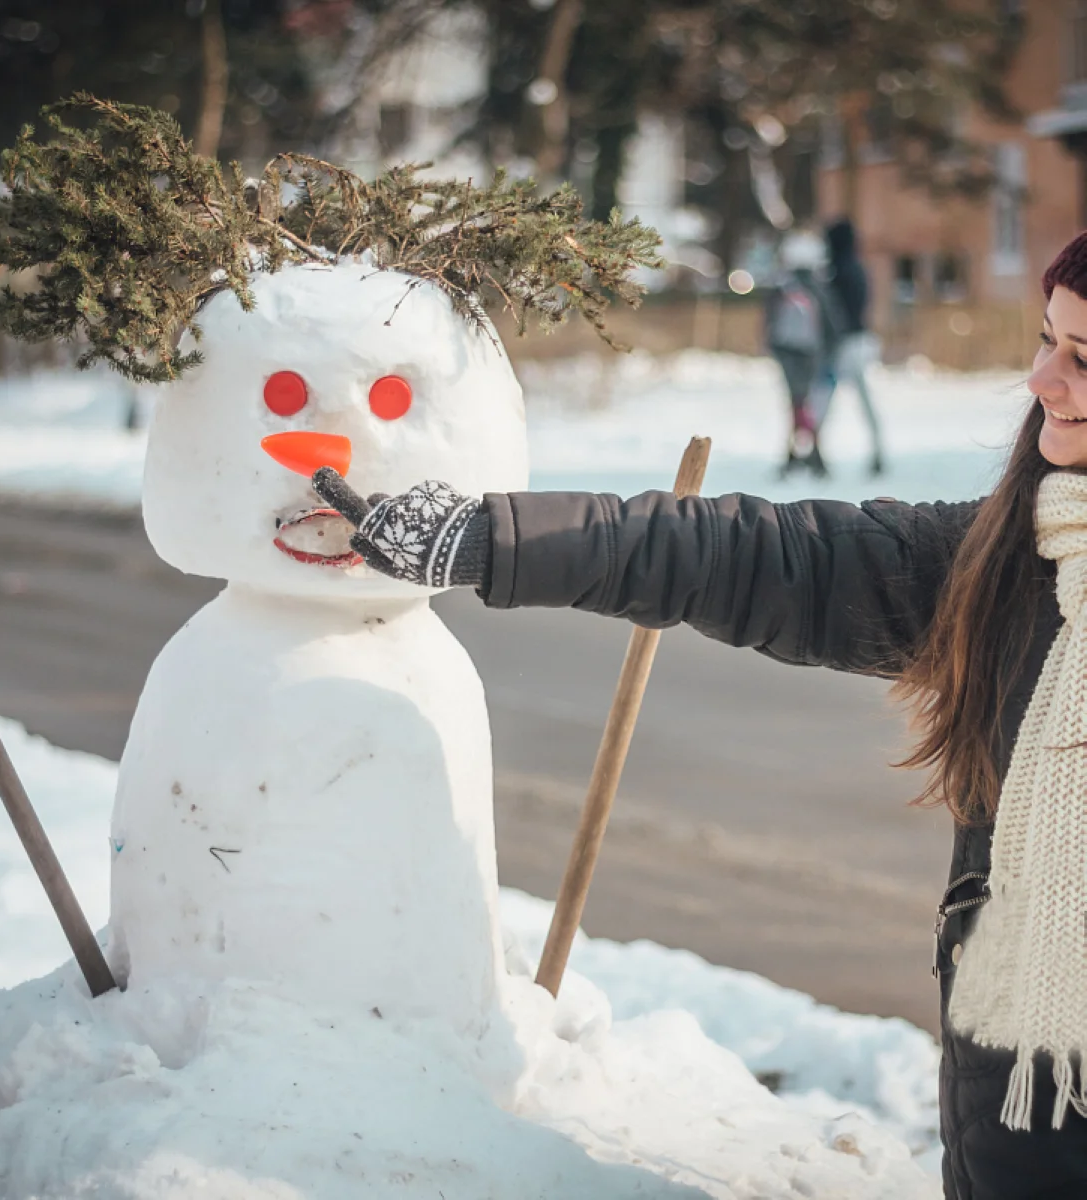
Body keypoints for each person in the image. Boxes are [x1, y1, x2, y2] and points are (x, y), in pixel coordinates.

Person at [315, 231, 1087, 1198]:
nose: (1042, 380)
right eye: (1047, 340)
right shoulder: (1012, 566)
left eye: (1081, 359)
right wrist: (487, 538)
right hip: (1017, 1106)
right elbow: (743, 554)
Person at [763, 229, 844, 479]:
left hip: (788, 355)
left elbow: (770, 323)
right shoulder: (819, 288)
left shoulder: (783, 287)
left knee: (796, 404)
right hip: (812, 355)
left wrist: (776, 350)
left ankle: (797, 455)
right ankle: (813, 455)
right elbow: (833, 325)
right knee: (810, 405)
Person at [811, 218, 887, 477]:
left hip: (845, 345)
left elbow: (834, 314)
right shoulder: (856, 268)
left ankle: (815, 451)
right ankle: (877, 451)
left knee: (825, 397)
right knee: (862, 400)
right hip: (860, 341)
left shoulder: (838, 272)